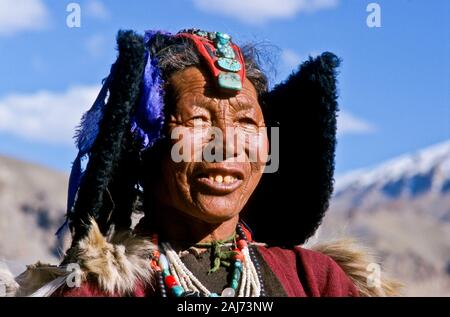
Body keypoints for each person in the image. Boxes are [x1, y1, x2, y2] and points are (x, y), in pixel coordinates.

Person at [4, 29, 399, 297]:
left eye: (247, 122)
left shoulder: (314, 280)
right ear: (145, 145)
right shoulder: (96, 291)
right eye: (198, 120)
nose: (226, 145)